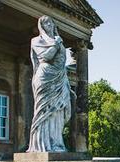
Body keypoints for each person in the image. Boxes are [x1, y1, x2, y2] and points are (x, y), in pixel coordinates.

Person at [27, 16, 76, 152]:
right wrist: (55, 44)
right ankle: (43, 144)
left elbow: (62, 64)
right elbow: (45, 57)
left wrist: (66, 83)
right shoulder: (36, 40)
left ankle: (56, 143)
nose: (49, 24)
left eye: (51, 22)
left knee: (59, 112)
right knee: (44, 110)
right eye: (46, 23)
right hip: (45, 77)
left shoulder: (58, 41)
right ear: (41, 26)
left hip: (59, 78)